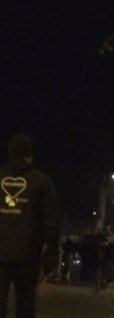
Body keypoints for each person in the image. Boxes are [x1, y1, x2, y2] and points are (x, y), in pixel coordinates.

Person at [0, 134, 60, 318]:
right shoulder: (42, 181)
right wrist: (50, 257)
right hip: (28, 255)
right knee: (25, 305)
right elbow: (51, 222)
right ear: (30, 155)